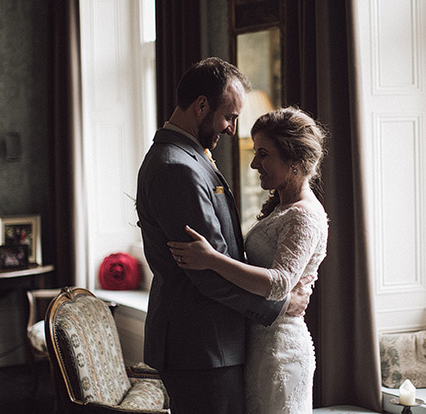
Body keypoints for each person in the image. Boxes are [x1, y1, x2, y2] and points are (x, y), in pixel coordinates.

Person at [136, 58, 312, 414]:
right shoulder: (176, 168)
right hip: (202, 344)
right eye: (229, 116)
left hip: (210, 342)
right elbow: (207, 274)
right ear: (201, 105)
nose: (232, 129)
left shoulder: (188, 156)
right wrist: (279, 306)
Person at [169, 106, 329, 413]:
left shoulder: (304, 216)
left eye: (264, 154)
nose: (255, 163)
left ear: (294, 160)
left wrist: (212, 259)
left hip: (280, 352)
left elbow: (280, 284)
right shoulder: (282, 207)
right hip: (257, 345)